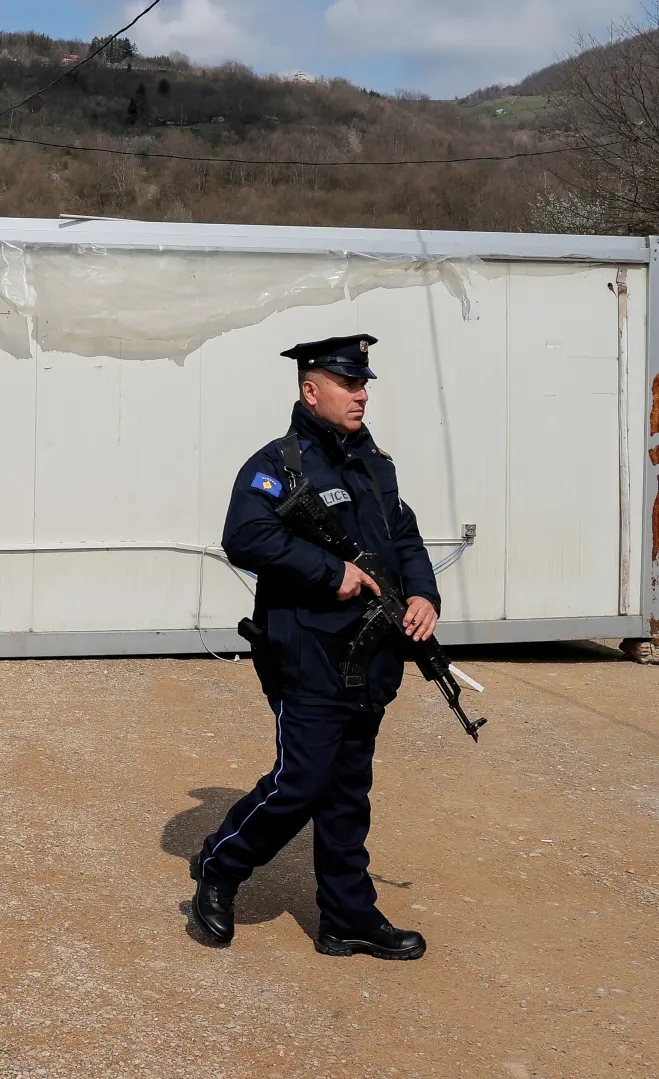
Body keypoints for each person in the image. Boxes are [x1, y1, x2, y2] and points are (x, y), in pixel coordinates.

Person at [190, 333, 441, 959]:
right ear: (312, 390)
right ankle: (221, 869)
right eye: (349, 384)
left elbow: (402, 536)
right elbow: (244, 536)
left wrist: (424, 596)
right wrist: (329, 573)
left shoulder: (373, 462)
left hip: (370, 653)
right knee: (301, 782)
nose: (361, 394)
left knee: (347, 789)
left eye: (364, 385)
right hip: (307, 650)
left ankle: (348, 917)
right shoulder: (279, 465)